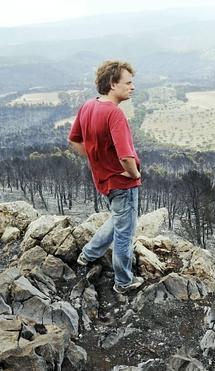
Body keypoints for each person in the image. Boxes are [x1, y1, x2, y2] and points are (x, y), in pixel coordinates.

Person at [67, 60, 144, 294]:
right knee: (124, 233)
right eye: (128, 83)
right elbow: (125, 156)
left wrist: (96, 162)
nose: (132, 87)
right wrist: (135, 174)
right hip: (122, 183)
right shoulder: (115, 114)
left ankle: (87, 255)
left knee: (118, 219)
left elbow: (74, 141)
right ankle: (123, 282)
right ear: (112, 84)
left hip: (104, 181)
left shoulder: (89, 106)